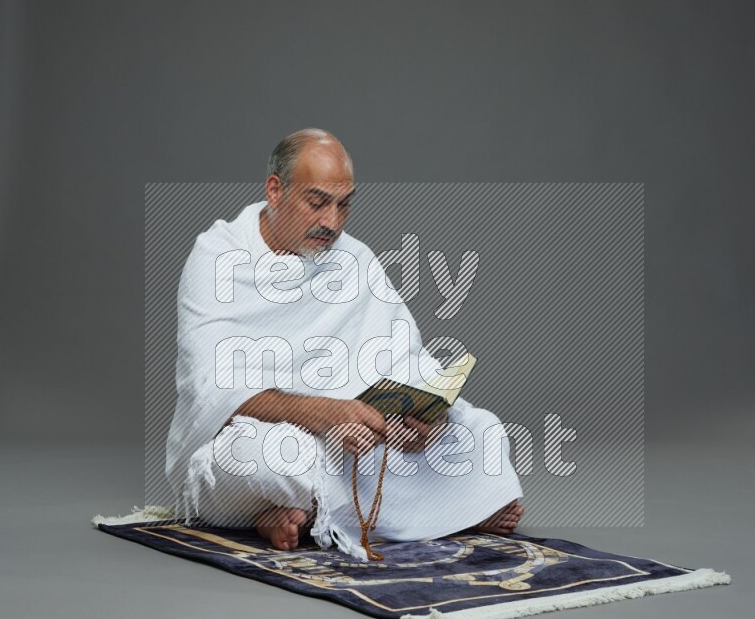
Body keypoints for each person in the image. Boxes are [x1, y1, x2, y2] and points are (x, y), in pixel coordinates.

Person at [165, 128, 524, 560]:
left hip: (359, 437)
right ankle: (437, 510)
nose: (332, 223)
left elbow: (404, 357)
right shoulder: (217, 257)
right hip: (272, 435)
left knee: (478, 428)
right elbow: (212, 388)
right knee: (269, 458)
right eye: (317, 203)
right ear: (275, 191)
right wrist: (328, 414)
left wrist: (423, 415)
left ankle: (299, 510)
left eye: (344, 205)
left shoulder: (354, 257)